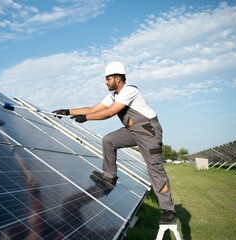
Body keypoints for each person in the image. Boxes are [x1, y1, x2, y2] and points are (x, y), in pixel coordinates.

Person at [52, 61, 176, 224]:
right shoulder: (114, 95)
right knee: (109, 140)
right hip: (132, 131)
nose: (106, 82)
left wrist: (86, 118)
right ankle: (109, 176)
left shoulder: (129, 90)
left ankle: (168, 210)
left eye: (108, 78)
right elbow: (93, 108)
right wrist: (68, 111)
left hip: (148, 132)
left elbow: (109, 112)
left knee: (155, 170)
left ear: (118, 78)